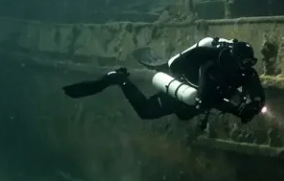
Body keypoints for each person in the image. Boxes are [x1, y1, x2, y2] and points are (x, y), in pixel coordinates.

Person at [63, 38, 266, 123]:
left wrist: (256, 105)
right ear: (232, 58)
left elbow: (257, 90)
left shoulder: (245, 72)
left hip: (193, 104)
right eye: (244, 61)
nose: (247, 66)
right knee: (145, 112)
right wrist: (236, 110)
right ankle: (119, 79)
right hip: (185, 94)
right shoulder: (210, 67)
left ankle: (120, 79)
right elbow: (205, 99)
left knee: (185, 113)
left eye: (251, 62)